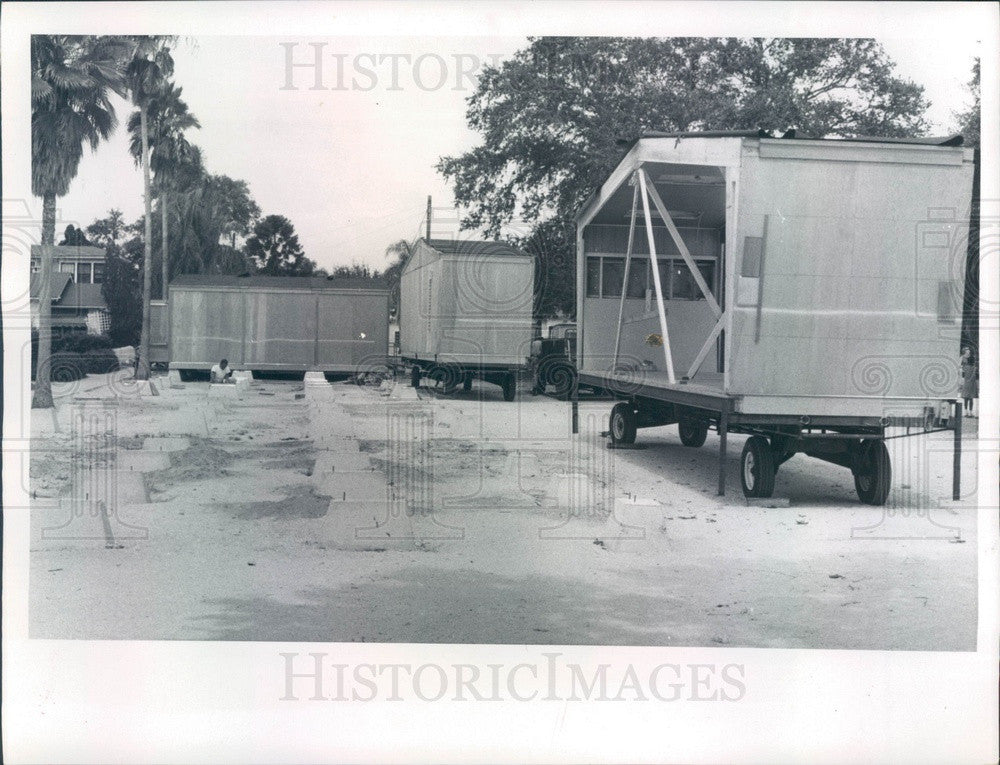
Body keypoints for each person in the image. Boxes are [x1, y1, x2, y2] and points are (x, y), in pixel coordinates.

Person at [960, 346, 977, 417]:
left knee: (969, 397)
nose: (968, 353)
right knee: (968, 397)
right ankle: (968, 411)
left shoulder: (971, 360)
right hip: (968, 380)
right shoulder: (962, 358)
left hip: (970, 380)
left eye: (969, 352)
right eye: (967, 352)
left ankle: (969, 412)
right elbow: (960, 367)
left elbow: (975, 368)